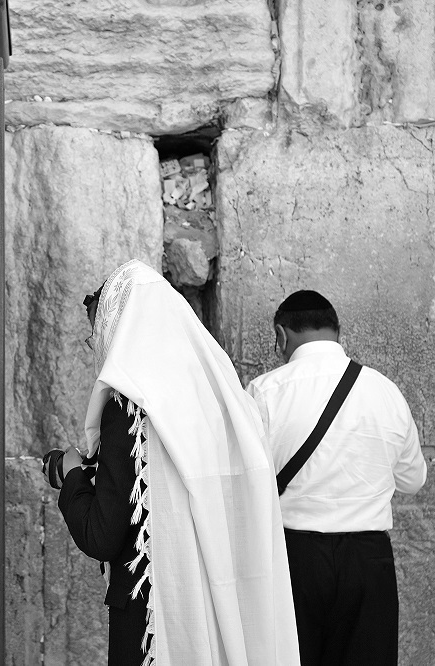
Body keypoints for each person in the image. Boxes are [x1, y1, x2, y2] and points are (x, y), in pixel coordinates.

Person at [44, 260, 300, 665]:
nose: (99, 346)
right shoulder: (228, 403)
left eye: (101, 332)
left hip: (155, 620)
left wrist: (73, 473)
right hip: (222, 608)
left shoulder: (129, 413)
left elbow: (103, 534)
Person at [246, 290, 427, 666]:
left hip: (294, 560)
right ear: (337, 332)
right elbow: (413, 480)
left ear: (281, 335)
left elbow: (245, 483)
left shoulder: (265, 392)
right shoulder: (386, 391)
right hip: (368, 562)